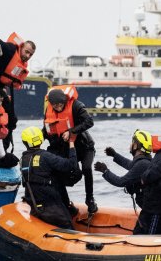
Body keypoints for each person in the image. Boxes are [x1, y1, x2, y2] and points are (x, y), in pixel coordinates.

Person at [43, 86, 98, 215]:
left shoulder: (76, 106)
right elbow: (46, 129)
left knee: (86, 168)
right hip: (66, 148)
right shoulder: (49, 109)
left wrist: (71, 131)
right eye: (54, 105)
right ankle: (66, 203)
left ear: (64, 101)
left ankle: (90, 199)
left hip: (84, 146)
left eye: (60, 104)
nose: (57, 107)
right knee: (56, 172)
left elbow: (89, 122)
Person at [95, 130, 154, 233]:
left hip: (151, 211)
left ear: (136, 146)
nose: (131, 145)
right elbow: (130, 165)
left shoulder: (142, 164)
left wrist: (105, 171)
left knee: (139, 235)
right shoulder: (145, 162)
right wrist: (115, 155)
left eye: (132, 142)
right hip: (149, 209)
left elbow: (120, 181)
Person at [0, 33, 36, 135]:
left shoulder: (20, 64)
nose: (28, 56)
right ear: (21, 47)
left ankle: (2, 137)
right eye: (26, 52)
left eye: (30, 54)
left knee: (12, 119)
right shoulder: (10, 49)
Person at [19, 125, 77, 229]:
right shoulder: (46, 156)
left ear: (24, 143)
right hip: (51, 205)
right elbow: (71, 165)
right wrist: (71, 144)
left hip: (34, 203)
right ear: (41, 140)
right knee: (70, 230)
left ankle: (67, 207)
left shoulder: (23, 159)